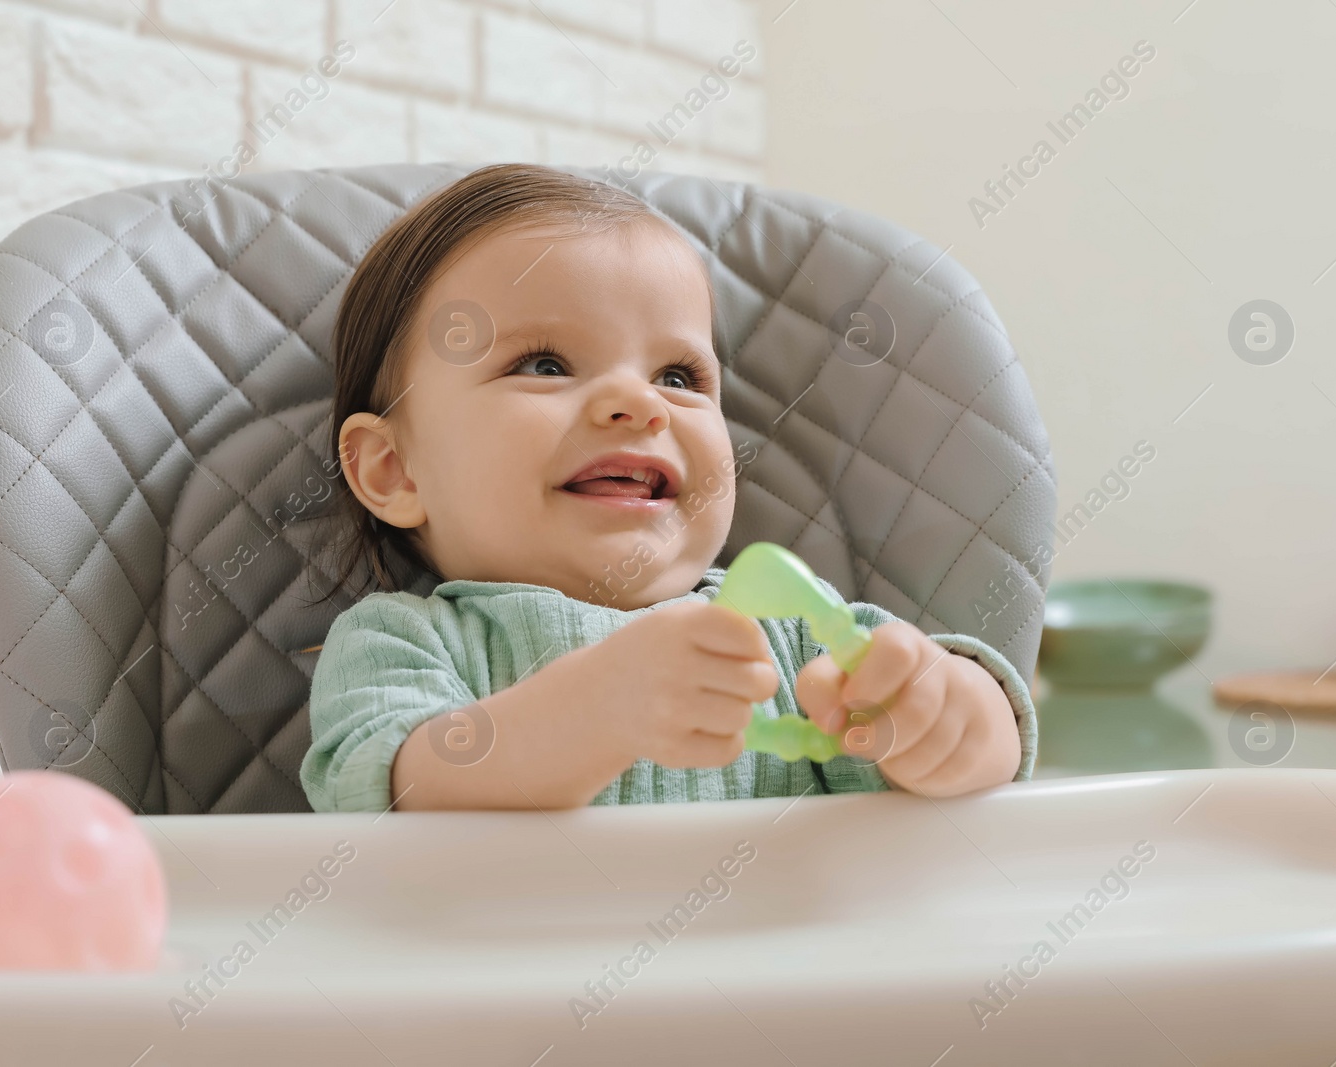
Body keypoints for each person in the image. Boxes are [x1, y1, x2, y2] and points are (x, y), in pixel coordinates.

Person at [300, 163, 1034, 813]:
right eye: (546, 365)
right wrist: (593, 712)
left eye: (677, 377)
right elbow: (393, 792)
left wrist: (952, 721)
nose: (639, 403)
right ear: (392, 470)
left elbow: (967, 768)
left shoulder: (795, 636)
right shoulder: (403, 642)